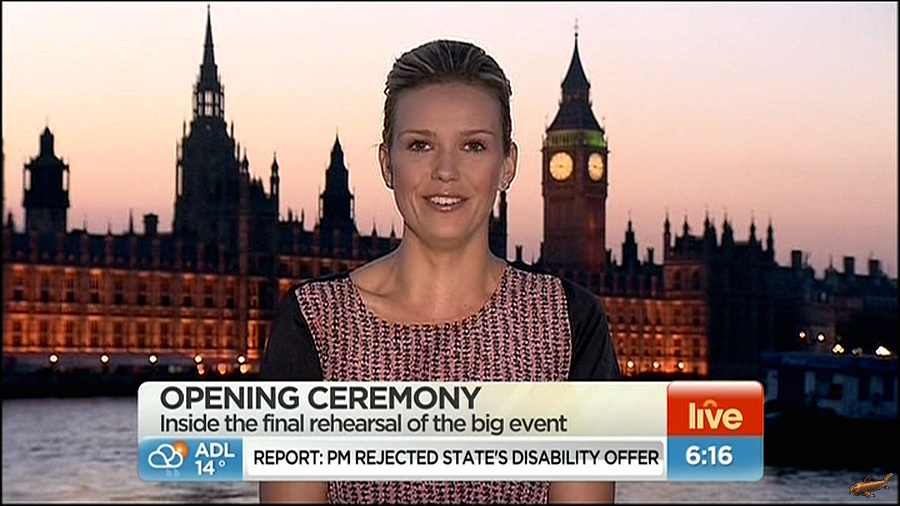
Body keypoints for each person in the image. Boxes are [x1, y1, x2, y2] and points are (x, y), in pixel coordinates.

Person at [258, 38, 620, 504]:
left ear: (507, 165)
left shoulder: (570, 323)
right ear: (387, 164)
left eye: (473, 145)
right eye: (420, 145)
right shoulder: (315, 322)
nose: (445, 170)